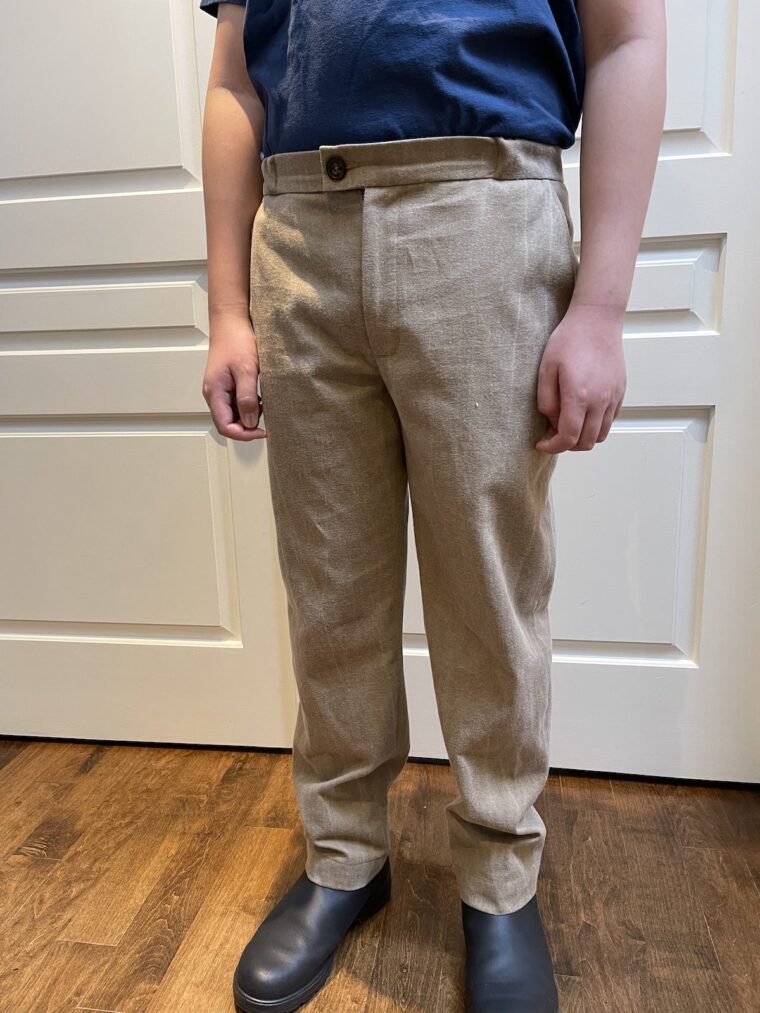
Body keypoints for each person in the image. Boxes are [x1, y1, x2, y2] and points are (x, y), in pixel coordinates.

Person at [198, 2, 666, 1010]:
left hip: (485, 213)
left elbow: (627, 36)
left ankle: (500, 879)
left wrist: (600, 304)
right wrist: (229, 308)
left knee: (486, 589)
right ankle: (343, 857)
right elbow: (236, 81)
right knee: (329, 590)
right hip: (297, 232)